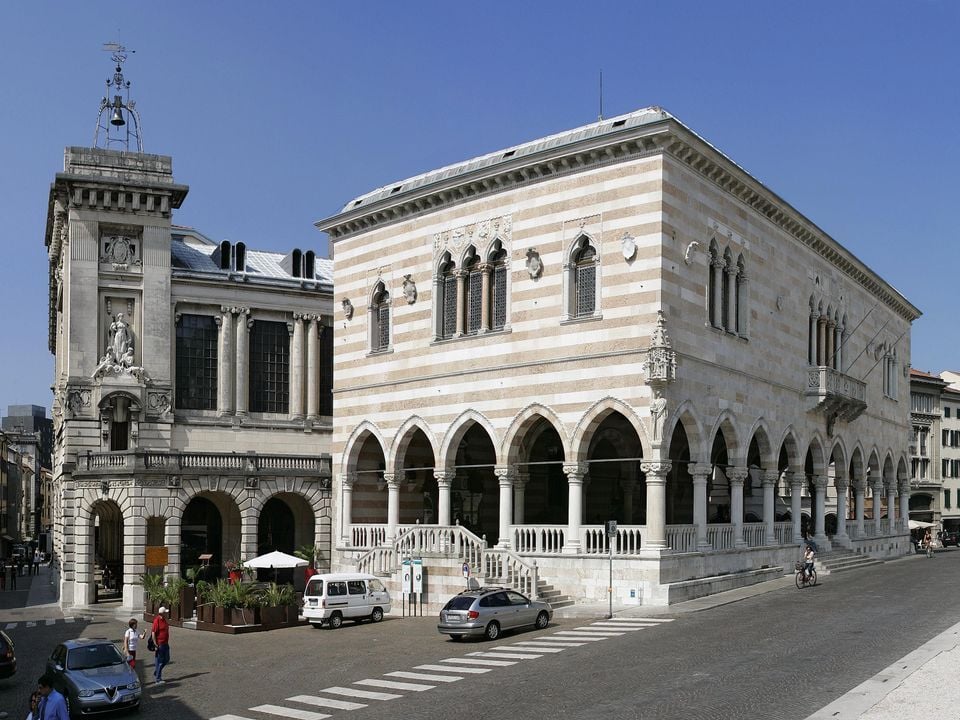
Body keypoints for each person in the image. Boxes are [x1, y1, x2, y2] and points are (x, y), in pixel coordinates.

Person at [150, 606, 170, 684]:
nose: (167, 614)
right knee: (160, 661)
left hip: (165, 643)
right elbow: (153, 632)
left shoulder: (164, 620)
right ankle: (158, 679)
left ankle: (157, 671)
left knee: (167, 659)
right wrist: (155, 644)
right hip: (160, 644)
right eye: (166, 612)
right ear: (162, 613)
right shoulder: (157, 620)